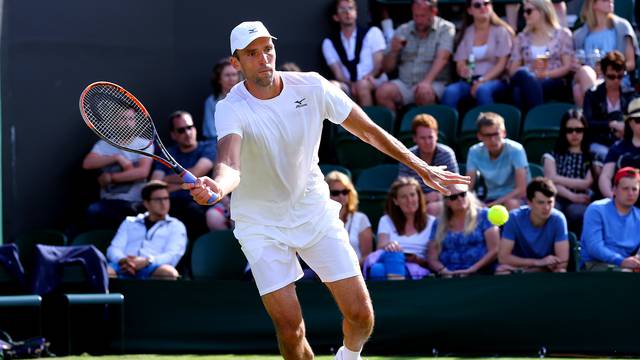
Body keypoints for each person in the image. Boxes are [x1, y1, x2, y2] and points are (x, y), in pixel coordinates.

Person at [184, 21, 469, 360]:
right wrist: (218, 186)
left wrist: (421, 167)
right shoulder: (231, 106)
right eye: (251, 53)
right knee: (291, 329)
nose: (263, 58)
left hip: (314, 211)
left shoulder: (313, 86)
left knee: (361, 317)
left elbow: (370, 131)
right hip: (260, 224)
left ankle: (348, 356)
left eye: (267, 49)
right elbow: (230, 164)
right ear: (236, 63)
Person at [375, 0, 455, 113]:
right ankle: (393, 129)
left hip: (434, 82)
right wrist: (393, 51)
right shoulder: (403, 30)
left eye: (422, 16)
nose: (418, 20)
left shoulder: (446, 28)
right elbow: (387, 68)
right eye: (415, 16)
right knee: (382, 92)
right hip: (405, 83)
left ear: (434, 12)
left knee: (424, 93)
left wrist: (426, 82)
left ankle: (426, 129)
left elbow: (442, 58)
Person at [150, 111, 218, 237]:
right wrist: (184, 183)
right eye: (181, 130)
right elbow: (155, 184)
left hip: (198, 204)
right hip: (169, 205)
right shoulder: (167, 153)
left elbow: (196, 173)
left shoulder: (208, 147)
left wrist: (166, 180)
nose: (187, 133)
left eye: (190, 127)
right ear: (173, 135)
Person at [106, 180, 187, 280]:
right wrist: (123, 260)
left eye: (166, 198)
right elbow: (114, 248)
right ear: (146, 203)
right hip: (123, 266)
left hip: (152, 267)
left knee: (169, 273)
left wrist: (148, 261)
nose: (163, 203)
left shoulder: (176, 226)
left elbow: (173, 255)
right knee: (105, 272)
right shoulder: (129, 222)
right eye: (158, 199)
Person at [440, 0, 514, 109]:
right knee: (450, 92)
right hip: (470, 81)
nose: (483, 7)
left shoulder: (501, 31)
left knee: (482, 90)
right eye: (477, 5)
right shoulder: (466, 33)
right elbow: (460, 64)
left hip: (495, 80)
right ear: (470, 10)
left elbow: (501, 64)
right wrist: (463, 70)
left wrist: (482, 81)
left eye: (486, 3)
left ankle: (490, 124)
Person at [508, 0, 573, 113]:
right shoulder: (521, 38)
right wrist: (530, 72)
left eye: (529, 11)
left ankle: (528, 125)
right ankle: (536, 120)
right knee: (524, 76)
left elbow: (567, 66)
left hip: (553, 79)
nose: (525, 15)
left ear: (542, 11)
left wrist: (545, 74)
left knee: (518, 92)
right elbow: (513, 70)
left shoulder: (563, 34)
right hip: (528, 77)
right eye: (524, 11)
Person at [82, 127, 154, 230]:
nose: (127, 123)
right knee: (93, 211)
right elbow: (87, 164)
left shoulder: (144, 144)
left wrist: (111, 178)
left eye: (130, 119)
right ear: (115, 122)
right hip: (108, 202)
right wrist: (116, 157)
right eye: (123, 119)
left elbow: (143, 172)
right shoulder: (103, 145)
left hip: (134, 203)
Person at [572, 0, 639, 107]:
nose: (610, 1)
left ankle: (594, 116)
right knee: (584, 72)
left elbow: (631, 63)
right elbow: (579, 63)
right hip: (590, 77)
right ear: (593, 4)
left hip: (614, 77)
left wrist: (608, 69)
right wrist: (576, 65)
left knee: (578, 90)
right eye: (604, 0)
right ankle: (600, 111)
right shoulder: (580, 35)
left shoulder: (622, 28)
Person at [496, 177, 570, 274]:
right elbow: (503, 258)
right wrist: (538, 263)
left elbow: (562, 263)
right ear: (529, 202)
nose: (546, 207)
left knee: (561, 271)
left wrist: (531, 269)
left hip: (543, 270)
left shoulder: (559, 219)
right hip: (521, 268)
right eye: (541, 202)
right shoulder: (514, 218)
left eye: (550, 202)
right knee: (501, 272)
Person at [322, 0, 388, 106]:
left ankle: (366, 122)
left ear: (356, 12)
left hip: (374, 79)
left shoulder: (373, 32)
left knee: (362, 85)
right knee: (331, 86)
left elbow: (379, 65)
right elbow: (338, 74)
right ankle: (337, 123)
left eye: (350, 8)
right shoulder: (329, 43)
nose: (347, 12)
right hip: (349, 84)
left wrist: (369, 76)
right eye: (342, 9)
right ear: (336, 17)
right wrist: (352, 84)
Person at [427, 183, 500, 277]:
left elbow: (494, 250)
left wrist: (473, 269)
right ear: (447, 202)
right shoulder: (438, 223)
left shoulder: (485, 215)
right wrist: (444, 271)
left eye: (462, 194)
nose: (460, 199)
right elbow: (432, 258)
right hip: (448, 276)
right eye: (453, 197)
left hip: (481, 273)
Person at [372, 177, 436, 278]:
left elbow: (433, 259)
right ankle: (399, 290)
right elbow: (380, 249)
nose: (409, 200)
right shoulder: (386, 220)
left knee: (377, 270)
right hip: (389, 258)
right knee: (394, 255)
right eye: (403, 197)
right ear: (396, 201)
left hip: (416, 266)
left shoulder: (432, 222)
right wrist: (389, 245)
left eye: (412, 195)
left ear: (419, 197)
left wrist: (417, 259)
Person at [542, 109, 593, 236]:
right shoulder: (552, 155)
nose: (574, 134)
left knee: (576, 211)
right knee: (551, 210)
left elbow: (587, 183)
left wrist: (556, 179)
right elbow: (549, 181)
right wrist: (572, 196)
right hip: (555, 197)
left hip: (583, 199)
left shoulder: (592, 156)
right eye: (569, 130)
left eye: (579, 130)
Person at [466, 112, 529, 210]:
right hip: (489, 200)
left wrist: (491, 205)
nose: (493, 139)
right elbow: (468, 186)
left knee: (511, 204)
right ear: (479, 136)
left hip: (516, 200)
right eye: (487, 135)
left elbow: (521, 189)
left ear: (504, 133)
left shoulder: (516, 149)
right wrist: (475, 203)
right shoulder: (474, 151)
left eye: (496, 134)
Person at [398, 114, 458, 216]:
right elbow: (402, 187)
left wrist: (438, 196)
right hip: (413, 202)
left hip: (444, 200)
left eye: (430, 137)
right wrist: (424, 198)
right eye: (423, 138)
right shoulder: (407, 156)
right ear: (415, 138)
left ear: (436, 136)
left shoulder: (446, 153)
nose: (427, 142)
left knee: (432, 208)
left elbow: (455, 185)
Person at [581, 167, 640, 271]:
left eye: (634, 189)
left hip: (626, 266)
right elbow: (594, 247)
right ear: (614, 190)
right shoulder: (597, 209)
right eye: (625, 188)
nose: (630, 193)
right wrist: (621, 261)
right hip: (595, 265)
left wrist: (636, 259)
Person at [583, 50, 636, 165]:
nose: (616, 80)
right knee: (610, 157)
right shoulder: (592, 95)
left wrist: (625, 128)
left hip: (626, 142)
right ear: (603, 73)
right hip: (600, 142)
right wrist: (610, 124)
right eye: (611, 76)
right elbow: (587, 122)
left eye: (620, 76)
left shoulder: (630, 95)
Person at [325, 171, 374, 265]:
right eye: (335, 193)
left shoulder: (361, 219)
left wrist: (349, 268)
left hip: (355, 271)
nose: (341, 196)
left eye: (345, 192)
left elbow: (367, 256)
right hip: (325, 272)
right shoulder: (319, 219)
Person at [599, 98, 640, 198]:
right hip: (622, 204)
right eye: (638, 120)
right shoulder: (617, 148)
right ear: (630, 123)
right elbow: (605, 177)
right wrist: (613, 201)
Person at [202, 58, 241, 140]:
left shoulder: (246, 98)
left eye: (234, 74)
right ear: (219, 79)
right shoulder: (211, 102)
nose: (231, 79)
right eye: (227, 75)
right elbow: (210, 131)